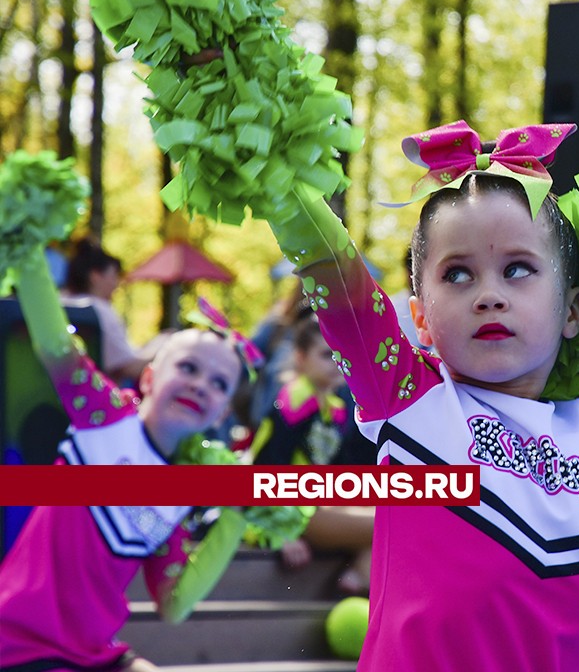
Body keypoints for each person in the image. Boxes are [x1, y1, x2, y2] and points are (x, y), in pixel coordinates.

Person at [261, 119, 579, 671]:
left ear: (573, 310)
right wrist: (267, 143)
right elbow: (325, 254)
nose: (489, 294)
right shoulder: (407, 397)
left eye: (518, 269)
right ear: (420, 318)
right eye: (458, 275)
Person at [0, 244, 261, 672]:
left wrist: (237, 514)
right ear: (150, 377)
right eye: (189, 368)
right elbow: (54, 345)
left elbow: (174, 605)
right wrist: (29, 242)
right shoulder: (106, 416)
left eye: (218, 383)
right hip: (19, 642)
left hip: (97, 654)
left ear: (223, 412)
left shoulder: (182, 492)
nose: (200, 385)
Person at [249, 314, 375, 593]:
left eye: (343, 356)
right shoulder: (295, 401)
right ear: (300, 357)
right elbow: (267, 466)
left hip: (319, 506)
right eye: (327, 355)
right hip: (294, 513)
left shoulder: (336, 408)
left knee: (400, 512)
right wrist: (278, 531)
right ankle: (357, 580)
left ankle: (359, 577)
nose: (337, 364)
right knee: (392, 523)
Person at [61, 236, 153, 385]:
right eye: (114, 276)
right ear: (95, 276)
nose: (117, 284)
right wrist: (163, 346)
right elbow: (129, 367)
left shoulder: (60, 304)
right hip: (100, 398)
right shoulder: (99, 311)